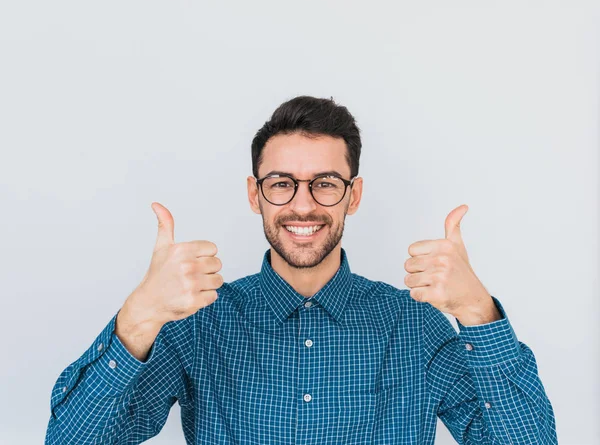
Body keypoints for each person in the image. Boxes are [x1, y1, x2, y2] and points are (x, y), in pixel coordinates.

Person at [45, 95, 557, 444]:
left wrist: (479, 314)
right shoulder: (198, 324)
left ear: (352, 196)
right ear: (255, 195)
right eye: (282, 183)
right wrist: (137, 321)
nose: (303, 206)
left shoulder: (414, 325)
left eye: (326, 183)